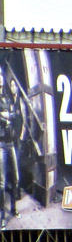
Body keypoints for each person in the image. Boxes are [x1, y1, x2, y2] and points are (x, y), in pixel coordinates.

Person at [0, 70, 23, 226]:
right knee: (2, 182)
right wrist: (6, 115)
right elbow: (8, 115)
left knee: (15, 178)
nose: (0, 79)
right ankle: (2, 215)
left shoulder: (8, 98)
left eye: (1, 76)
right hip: (0, 144)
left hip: (11, 144)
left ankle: (14, 208)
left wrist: (6, 115)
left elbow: (15, 114)